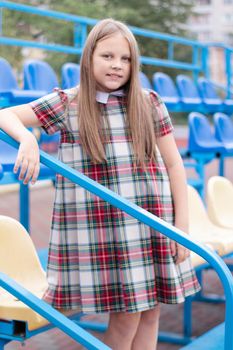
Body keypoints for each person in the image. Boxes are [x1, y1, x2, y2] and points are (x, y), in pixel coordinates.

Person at [0, 19, 200, 350]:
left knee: (150, 314)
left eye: (125, 59)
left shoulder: (148, 102)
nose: (117, 65)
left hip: (152, 222)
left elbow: (174, 163)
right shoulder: (68, 102)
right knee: (126, 319)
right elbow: (5, 114)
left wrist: (182, 226)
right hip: (108, 231)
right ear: (90, 56)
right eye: (107, 56)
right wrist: (28, 140)